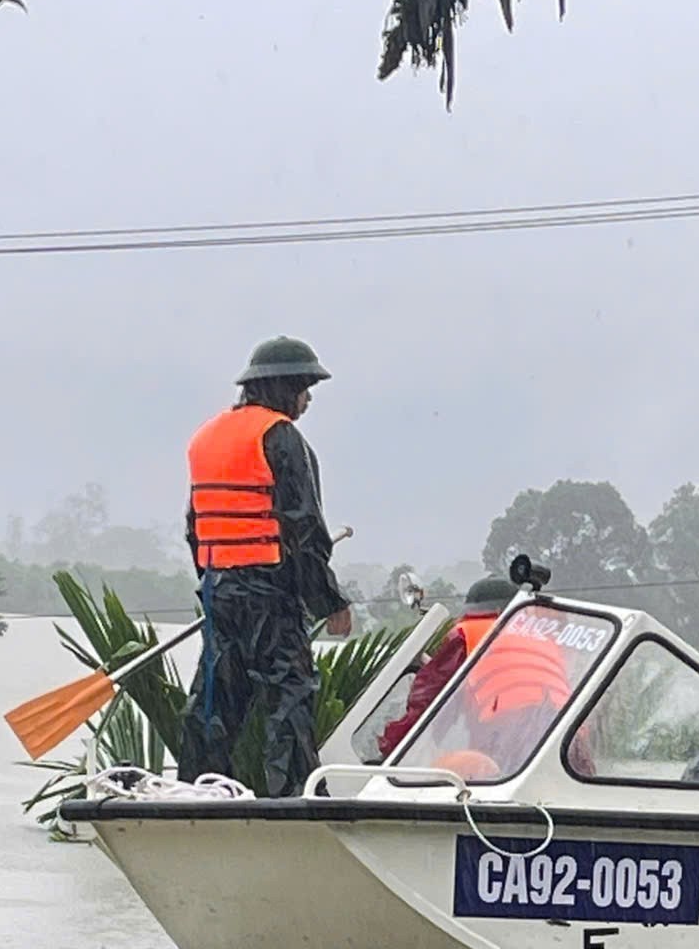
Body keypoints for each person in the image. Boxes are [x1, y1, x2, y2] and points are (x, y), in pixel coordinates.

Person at [180, 336, 353, 796]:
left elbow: (195, 524)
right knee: (289, 693)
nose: (308, 399)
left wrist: (214, 582)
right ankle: (292, 798)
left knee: (216, 697)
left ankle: (197, 791)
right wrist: (329, 601)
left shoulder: (207, 437)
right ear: (284, 387)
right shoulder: (281, 437)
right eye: (304, 388)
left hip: (219, 588)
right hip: (270, 591)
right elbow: (305, 528)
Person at [377, 576, 518, 758]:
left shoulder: (468, 634)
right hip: (544, 743)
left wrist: (394, 744)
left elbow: (430, 700)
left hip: (497, 746)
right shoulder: (541, 637)